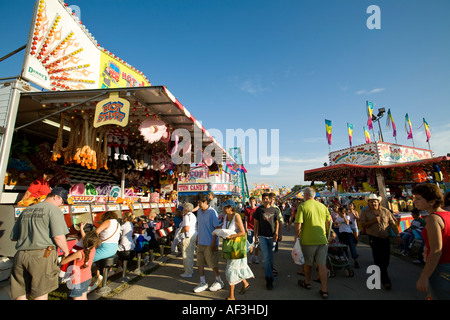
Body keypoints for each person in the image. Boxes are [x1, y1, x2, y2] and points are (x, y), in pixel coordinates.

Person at [10, 187, 70, 300]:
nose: (61, 205)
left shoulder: (27, 210)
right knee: (41, 293)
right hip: (42, 256)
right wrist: (67, 252)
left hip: (21, 255)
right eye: (62, 202)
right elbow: (58, 237)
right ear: (56, 197)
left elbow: (14, 237)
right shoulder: (54, 210)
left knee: (20, 293)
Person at [412, 184, 450, 300]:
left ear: (432, 201)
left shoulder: (433, 218)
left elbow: (436, 250)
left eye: (418, 198)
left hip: (441, 268)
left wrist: (424, 276)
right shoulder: (447, 215)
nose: (415, 201)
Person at [295, 187, 331, 299]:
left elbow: (298, 224)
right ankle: (324, 290)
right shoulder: (322, 206)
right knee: (322, 264)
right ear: (314, 195)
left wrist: (297, 236)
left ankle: (307, 282)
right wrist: (327, 235)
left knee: (308, 263)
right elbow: (329, 221)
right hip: (322, 239)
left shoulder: (303, 206)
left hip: (308, 240)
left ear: (305, 195)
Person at [360, 194, 402, 290]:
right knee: (378, 258)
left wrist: (398, 235)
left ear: (378, 202)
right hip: (374, 237)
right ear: (368, 203)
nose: (373, 203)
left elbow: (392, 223)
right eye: (371, 201)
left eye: (375, 201)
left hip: (385, 237)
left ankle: (381, 272)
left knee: (386, 258)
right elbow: (363, 224)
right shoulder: (365, 212)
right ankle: (386, 280)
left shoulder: (385, 211)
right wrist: (374, 221)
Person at [222, 204, 254, 300]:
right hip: (229, 247)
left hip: (237, 247)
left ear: (231, 208)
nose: (223, 209)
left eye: (225, 207)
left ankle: (231, 296)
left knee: (231, 270)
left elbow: (242, 232)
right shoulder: (225, 217)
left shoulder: (237, 216)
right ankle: (245, 283)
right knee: (235, 268)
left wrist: (231, 236)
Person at [193, 193, 224, 293]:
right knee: (200, 263)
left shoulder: (212, 212)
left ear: (205, 202)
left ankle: (219, 281)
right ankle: (203, 282)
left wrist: (214, 243)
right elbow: (199, 226)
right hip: (201, 242)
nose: (198, 205)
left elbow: (216, 228)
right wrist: (197, 237)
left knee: (213, 264)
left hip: (210, 243)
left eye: (199, 203)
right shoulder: (199, 212)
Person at [60, 230, 101, 300]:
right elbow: (87, 239)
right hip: (87, 278)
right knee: (84, 297)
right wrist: (82, 229)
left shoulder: (79, 253)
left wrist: (65, 254)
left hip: (77, 280)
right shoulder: (93, 250)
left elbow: (62, 262)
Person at [254, 192, 281, 290]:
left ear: (270, 200)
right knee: (265, 258)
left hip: (272, 236)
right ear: (262, 200)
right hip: (262, 236)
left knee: (271, 257)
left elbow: (277, 222)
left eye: (267, 198)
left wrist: (277, 233)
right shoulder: (259, 210)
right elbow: (256, 223)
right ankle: (269, 278)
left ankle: (269, 273)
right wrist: (256, 235)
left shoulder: (274, 210)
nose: (265, 200)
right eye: (264, 198)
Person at [91, 211, 121, 286]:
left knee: (87, 258)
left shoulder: (108, 221)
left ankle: (88, 281)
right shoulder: (117, 223)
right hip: (113, 248)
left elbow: (96, 232)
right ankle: (98, 276)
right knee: (95, 256)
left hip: (106, 248)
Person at [179, 202, 197, 277]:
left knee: (186, 255)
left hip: (188, 237)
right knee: (190, 254)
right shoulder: (193, 215)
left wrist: (181, 231)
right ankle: (190, 270)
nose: (182, 210)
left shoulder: (187, 216)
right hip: (193, 235)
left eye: (183, 208)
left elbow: (186, 228)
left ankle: (188, 272)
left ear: (186, 209)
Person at [244, 197, 259, 264]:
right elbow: (246, 219)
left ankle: (256, 257)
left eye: (253, 201)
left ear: (255, 202)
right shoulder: (247, 209)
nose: (252, 202)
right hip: (249, 228)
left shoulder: (257, 210)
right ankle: (251, 256)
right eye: (251, 201)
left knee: (256, 243)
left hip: (256, 228)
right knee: (250, 243)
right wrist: (246, 227)